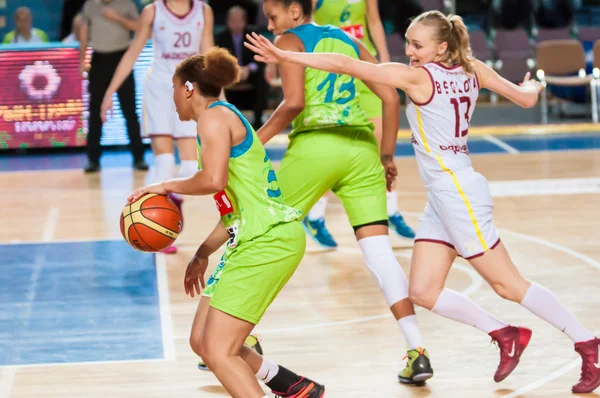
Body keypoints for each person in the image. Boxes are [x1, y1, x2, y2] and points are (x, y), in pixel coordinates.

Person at [245, 9, 600, 394]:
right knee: (424, 291)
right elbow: (525, 98)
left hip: (457, 194)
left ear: (441, 46)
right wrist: (532, 87)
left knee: (509, 285)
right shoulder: (472, 67)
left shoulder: (418, 78)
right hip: (447, 193)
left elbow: (346, 65)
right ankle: (505, 333)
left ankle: (588, 344)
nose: (410, 52)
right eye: (409, 44)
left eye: (417, 45)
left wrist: (290, 56)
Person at [249, 0, 435, 385]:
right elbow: (388, 97)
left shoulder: (290, 42)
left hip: (317, 146)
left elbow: (293, 104)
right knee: (380, 254)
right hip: (362, 148)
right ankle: (417, 351)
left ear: (296, 12)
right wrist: (386, 155)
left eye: (273, 16)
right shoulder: (348, 40)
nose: (269, 26)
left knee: (261, 235)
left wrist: (253, 142)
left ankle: (244, 334)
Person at [127, 47, 325, 398]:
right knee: (201, 341)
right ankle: (291, 384)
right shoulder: (220, 118)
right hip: (252, 236)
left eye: (174, 90)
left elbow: (213, 180)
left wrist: (164, 184)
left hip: (268, 241)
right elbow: (232, 209)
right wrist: (202, 253)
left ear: (188, 89)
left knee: (219, 351)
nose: (173, 99)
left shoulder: (213, 120)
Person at [101, 0, 214, 254]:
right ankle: (146, 218)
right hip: (160, 90)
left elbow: (209, 57)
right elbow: (132, 53)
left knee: (189, 167)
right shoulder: (152, 11)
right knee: (164, 163)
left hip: (190, 92)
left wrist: (220, 97)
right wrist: (110, 92)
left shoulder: (204, 10)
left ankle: (173, 202)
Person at [304, 0, 415, 248]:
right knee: (335, 149)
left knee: (382, 141)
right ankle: (315, 216)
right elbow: (303, 22)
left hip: (364, 63)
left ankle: (392, 209)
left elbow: (373, 20)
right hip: (332, 71)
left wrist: (383, 57)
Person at [80, 0, 148, 173]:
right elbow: (84, 30)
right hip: (99, 59)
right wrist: (82, 58)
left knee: (129, 109)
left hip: (121, 57)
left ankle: (138, 157)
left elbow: (139, 27)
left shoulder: (126, 4)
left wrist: (117, 17)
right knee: (95, 110)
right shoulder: (90, 5)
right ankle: (93, 159)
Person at [216, 6, 269, 130]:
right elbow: (218, 60)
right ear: (228, 21)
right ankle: (224, 121)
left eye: (238, 20)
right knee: (216, 78)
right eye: (232, 20)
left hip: (249, 74)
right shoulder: (221, 37)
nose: (235, 23)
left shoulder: (253, 35)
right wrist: (234, 70)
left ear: (244, 21)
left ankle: (258, 121)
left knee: (262, 78)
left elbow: (260, 57)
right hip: (229, 74)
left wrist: (248, 68)